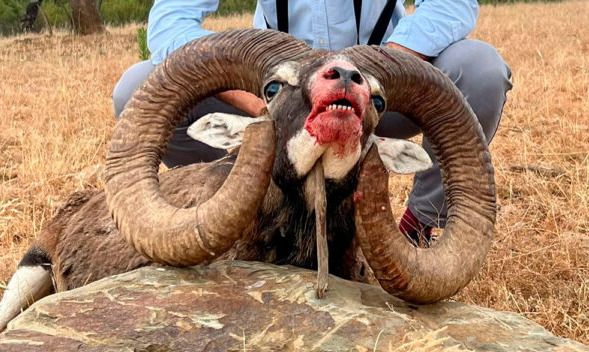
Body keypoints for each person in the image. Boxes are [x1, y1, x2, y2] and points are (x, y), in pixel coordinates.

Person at [112, 0, 512, 247]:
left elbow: (453, 3)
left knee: (480, 71)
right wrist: (261, 101)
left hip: (372, 94)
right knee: (135, 89)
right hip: (278, 99)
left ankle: (418, 226)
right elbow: (169, 21)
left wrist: (378, 69)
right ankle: (240, 209)